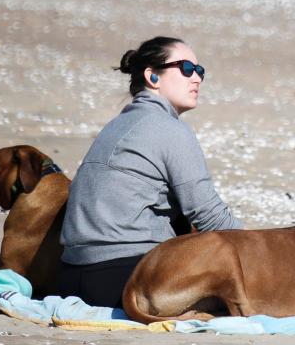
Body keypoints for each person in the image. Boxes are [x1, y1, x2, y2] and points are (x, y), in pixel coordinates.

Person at [57, 36, 243, 307]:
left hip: (71, 278)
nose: (197, 79)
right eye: (186, 69)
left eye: (200, 71)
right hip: (126, 278)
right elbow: (209, 216)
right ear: (152, 77)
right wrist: (264, 254)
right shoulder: (168, 129)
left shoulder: (117, 124)